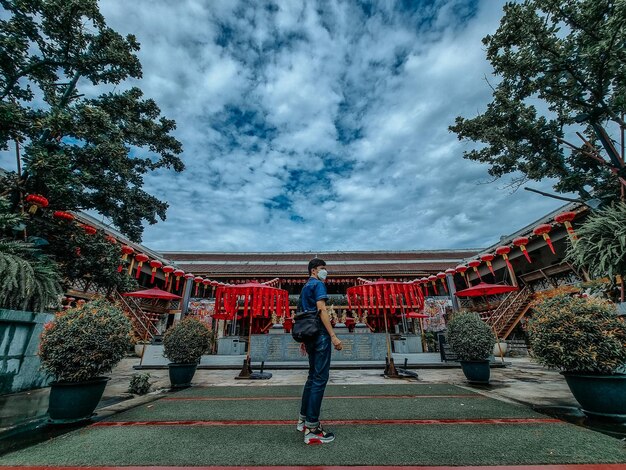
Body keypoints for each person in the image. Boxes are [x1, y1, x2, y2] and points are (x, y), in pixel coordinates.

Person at [297, 258, 343, 445]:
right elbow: (322, 310)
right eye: (323, 268)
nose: (326, 272)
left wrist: (304, 339)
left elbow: (301, 314)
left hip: (309, 335)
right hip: (321, 336)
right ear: (314, 270)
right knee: (320, 378)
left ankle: (303, 420)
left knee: (311, 377)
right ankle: (313, 428)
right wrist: (333, 335)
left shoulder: (305, 287)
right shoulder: (318, 284)